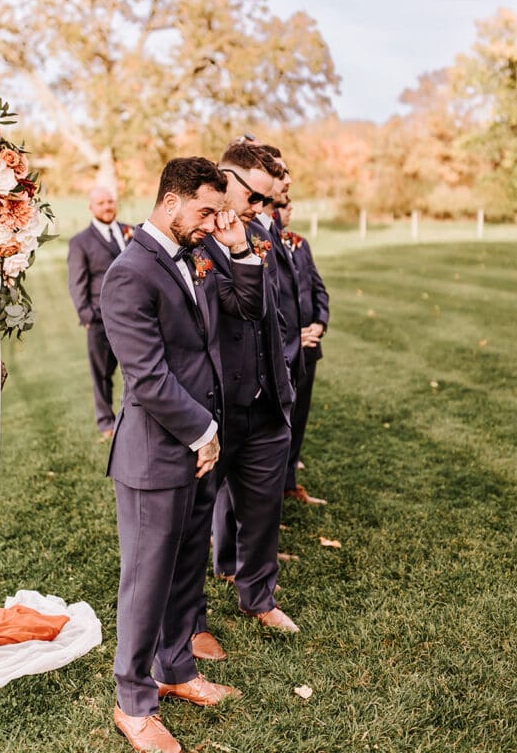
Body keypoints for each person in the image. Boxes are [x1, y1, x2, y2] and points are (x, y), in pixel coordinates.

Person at [100, 157, 264, 753]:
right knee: (146, 581)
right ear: (170, 201)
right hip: (155, 455)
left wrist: (239, 247)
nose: (212, 221)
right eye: (205, 209)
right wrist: (204, 432)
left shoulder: (195, 253)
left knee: (185, 569)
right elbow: (146, 376)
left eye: (218, 210)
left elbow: (247, 309)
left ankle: (175, 670)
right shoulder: (129, 273)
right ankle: (132, 702)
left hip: (200, 450)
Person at [196, 140, 299, 652]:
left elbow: (276, 310)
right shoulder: (193, 239)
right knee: (195, 519)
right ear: (226, 178)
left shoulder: (259, 232)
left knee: (262, 511)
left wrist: (283, 374)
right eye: (255, 197)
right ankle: (191, 622)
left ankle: (258, 596)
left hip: (267, 398)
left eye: (265, 202)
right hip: (215, 403)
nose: (261, 210)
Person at [67, 187, 133, 438]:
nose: (107, 206)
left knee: (135, 367)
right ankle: (106, 422)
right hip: (99, 318)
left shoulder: (131, 233)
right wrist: (87, 317)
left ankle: (136, 415)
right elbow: (77, 283)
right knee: (102, 372)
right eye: (101, 203)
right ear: (91, 207)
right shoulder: (80, 242)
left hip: (132, 314)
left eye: (110, 201)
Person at [277, 201, 330, 503]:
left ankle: (289, 484)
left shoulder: (300, 244)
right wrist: (290, 337)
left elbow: (319, 290)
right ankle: (272, 490)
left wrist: (319, 324)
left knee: (299, 418)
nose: (289, 208)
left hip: (309, 349)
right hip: (282, 349)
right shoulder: (261, 246)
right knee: (279, 422)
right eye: (282, 205)